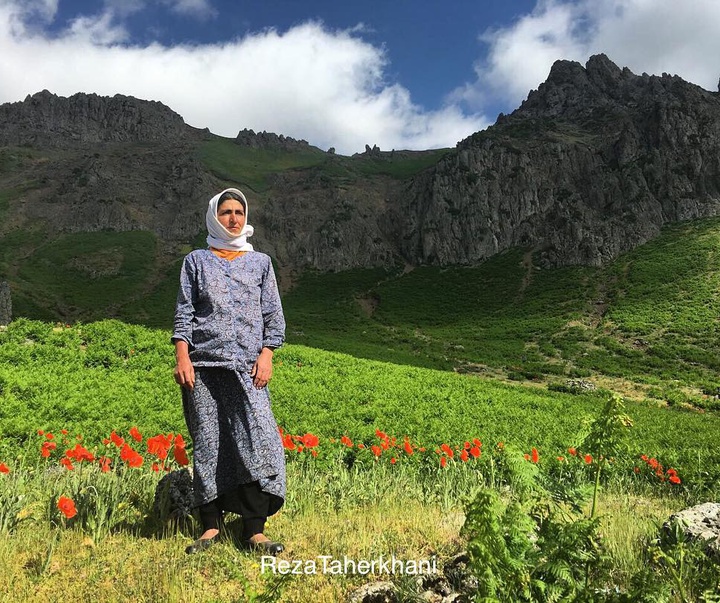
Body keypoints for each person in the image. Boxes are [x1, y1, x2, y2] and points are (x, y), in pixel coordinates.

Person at [172, 187, 286, 555]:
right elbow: (184, 314)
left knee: (257, 439)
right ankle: (210, 527)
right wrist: (182, 356)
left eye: (239, 211)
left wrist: (267, 354)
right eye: (226, 212)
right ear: (213, 217)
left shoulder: (261, 263)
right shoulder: (196, 261)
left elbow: (273, 316)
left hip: (248, 368)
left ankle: (254, 529)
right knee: (209, 441)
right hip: (203, 368)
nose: (234, 218)